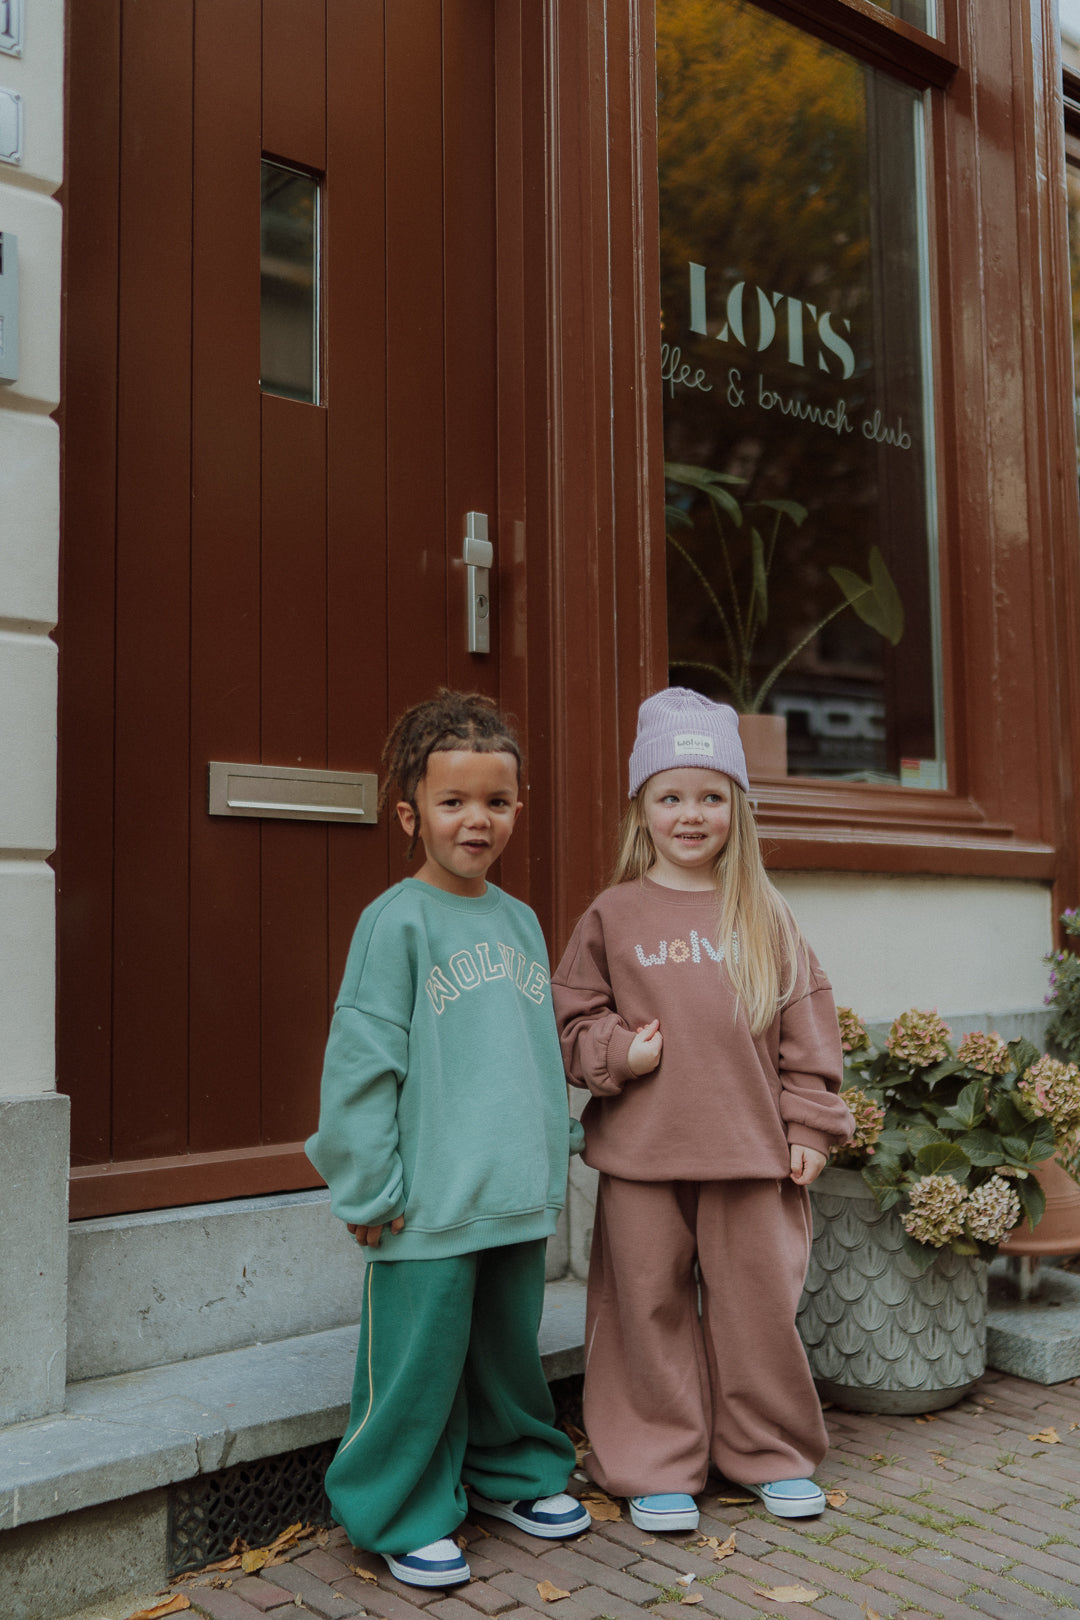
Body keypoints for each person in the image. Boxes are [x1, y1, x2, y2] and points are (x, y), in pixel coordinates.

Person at [551, 687, 853, 1533]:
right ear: (642, 808)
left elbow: (808, 1033)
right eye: (671, 796)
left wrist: (810, 1125)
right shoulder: (613, 914)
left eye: (711, 797)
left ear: (737, 808)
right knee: (644, 1312)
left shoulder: (765, 914)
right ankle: (654, 1461)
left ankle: (770, 1452)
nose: (691, 815)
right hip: (643, 1158)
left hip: (753, 1156)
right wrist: (618, 1052)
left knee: (758, 1313)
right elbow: (572, 1022)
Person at [307, 689, 590, 1588]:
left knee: (509, 1356)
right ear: (411, 815)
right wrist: (366, 1185)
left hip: (512, 1190)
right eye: (454, 801)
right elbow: (361, 1064)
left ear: (518, 810)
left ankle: (514, 1474)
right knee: (415, 1370)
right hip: (424, 1201)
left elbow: (530, 1053)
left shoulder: (521, 921)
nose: (478, 820)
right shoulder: (395, 922)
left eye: (496, 802)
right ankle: (395, 1510)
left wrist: (552, 1152)